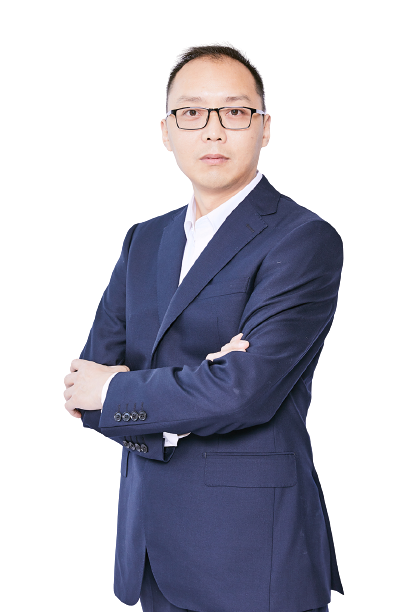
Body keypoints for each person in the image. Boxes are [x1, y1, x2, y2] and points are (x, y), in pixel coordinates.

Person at [63, 42, 344, 612]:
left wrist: (122, 391)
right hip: (146, 548)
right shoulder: (143, 240)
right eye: (191, 112)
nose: (212, 131)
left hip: (250, 551)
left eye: (235, 111)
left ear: (265, 128)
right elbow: (83, 393)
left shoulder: (302, 239)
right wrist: (199, 382)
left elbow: (245, 393)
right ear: (167, 132)